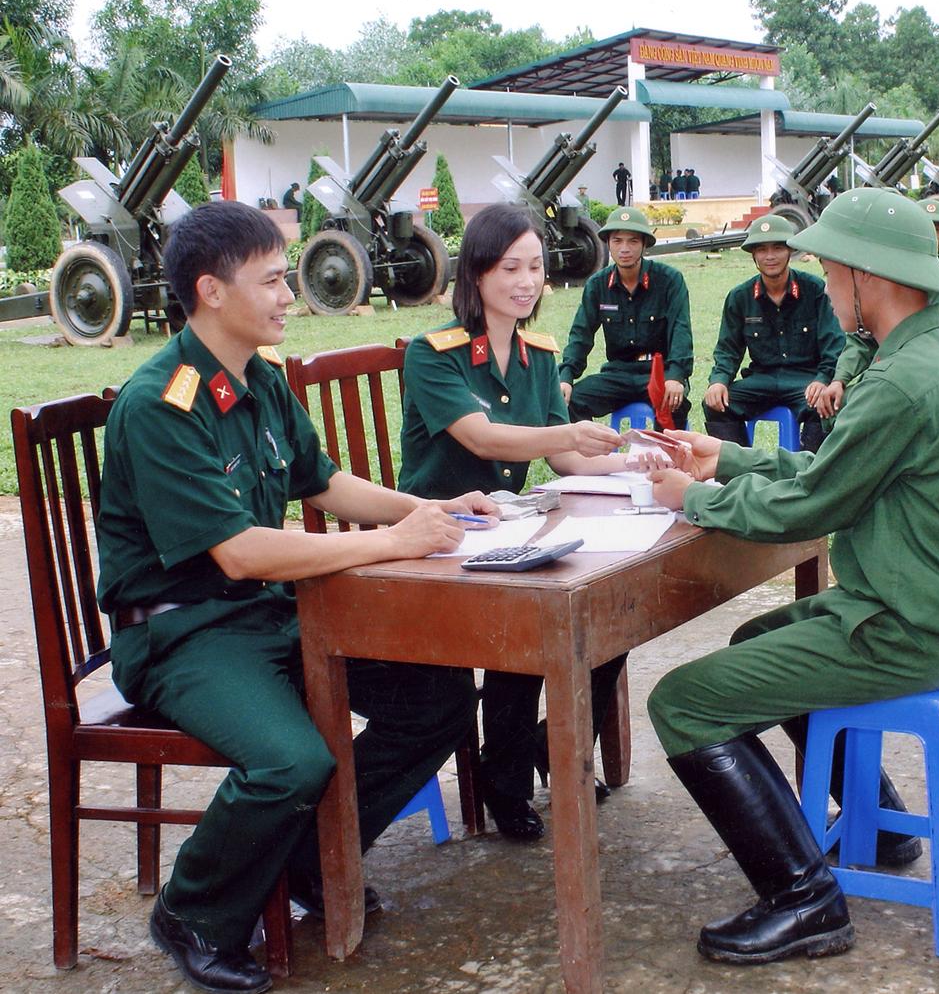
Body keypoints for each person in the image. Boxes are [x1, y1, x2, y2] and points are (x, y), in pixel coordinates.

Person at [95, 201, 489, 994]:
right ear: (211, 291)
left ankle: (311, 861)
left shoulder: (260, 380)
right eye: (271, 280)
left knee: (438, 695)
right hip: (182, 635)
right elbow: (239, 554)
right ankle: (193, 910)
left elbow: (323, 480)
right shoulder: (159, 405)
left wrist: (426, 512)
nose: (287, 295)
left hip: (262, 614)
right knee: (290, 761)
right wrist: (391, 543)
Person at [642, 188, 939, 966]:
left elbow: (813, 504)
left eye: (827, 266)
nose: (821, 278)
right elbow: (847, 467)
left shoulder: (899, 379)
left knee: (682, 702)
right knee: (756, 637)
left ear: (864, 275)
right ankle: (876, 828)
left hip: (907, 625)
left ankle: (804, 901)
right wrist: (730, 455)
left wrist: (698, 497)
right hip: (934, 608)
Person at [399, 204, 642, 841]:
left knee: (608, 611)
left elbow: (559, 454)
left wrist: (633, 462)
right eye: (510, 268)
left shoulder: (537, 352)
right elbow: (485, 440)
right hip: (437, 541)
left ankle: (544, 747)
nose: (526, 281)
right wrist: (565, 430)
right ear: (475, 274)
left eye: (535, 266)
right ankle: (503, 777)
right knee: (528, 627)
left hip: (507, 531)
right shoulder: (433, 354)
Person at [822, 195, 939, 418]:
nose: (929, 235)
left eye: (937, 230)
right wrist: (840, 378)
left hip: (935, 383)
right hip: (893, 374)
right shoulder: (888, 281)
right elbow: (861, 341)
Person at [704, 214, 844, 452]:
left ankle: (807, 474)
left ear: (790, 251)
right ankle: (740, 472)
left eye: (778, 248)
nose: (770, 256)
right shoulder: (740, 297)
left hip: (806, 380)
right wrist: (718, 381)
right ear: (754, 255)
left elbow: (834, 344)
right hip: (762, 379)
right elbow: (728, 349)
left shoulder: (816, 291)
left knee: (825, 404)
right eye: (762, 249)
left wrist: (823, 379)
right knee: (717, 404)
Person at [559, 207, 693, 427]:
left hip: (659, 372)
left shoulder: (669, 280)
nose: (624, 249)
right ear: (608, 243)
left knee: (671, 403)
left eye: (632, 241)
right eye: (617, 241)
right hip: (619, 373)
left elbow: (681, 331)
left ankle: (667, 461)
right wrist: (566, 377)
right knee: (572, 401)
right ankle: (596, 460)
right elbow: (580, 336)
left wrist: (676, 376)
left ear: (644, 245)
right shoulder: (597, 285)